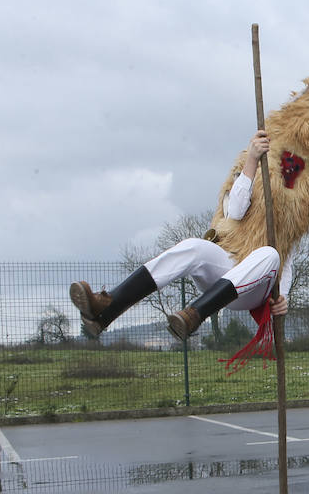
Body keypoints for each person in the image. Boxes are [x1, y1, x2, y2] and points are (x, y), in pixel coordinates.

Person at [69, 129, 290, 342]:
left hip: (255, 287)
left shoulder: (288, 199)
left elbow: (289, 254)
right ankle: (108, 307)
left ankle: (196, 314)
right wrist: (252, 161)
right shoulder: (243, 176)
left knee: (270, 254)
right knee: (194, 246)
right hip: (226, 274)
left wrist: (284, 296)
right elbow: (236, 212)